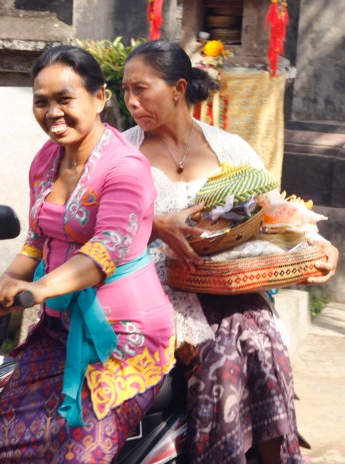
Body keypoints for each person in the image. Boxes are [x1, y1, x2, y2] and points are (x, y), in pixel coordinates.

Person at [121, 40, 339, 464]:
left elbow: (274, 212)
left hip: (233, 284)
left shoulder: (231, 149)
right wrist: (156, 228)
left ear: (179, 88)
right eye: (125, 91)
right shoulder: (121, 153)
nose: (131, 101)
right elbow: (103, 232)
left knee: (265, 347)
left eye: (141, 89)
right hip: (157, 292)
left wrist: (319, 246)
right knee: (220, 362)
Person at [0, 44, 176, 463]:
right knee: (3, 439)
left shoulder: (126, 169)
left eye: (65, 99)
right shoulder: (46, 159)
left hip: (124, 338)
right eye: (42, 102)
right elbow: (36, 239)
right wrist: (6, 283)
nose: (53, 113)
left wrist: (35, 291)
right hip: (57, 328)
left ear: (100, 98)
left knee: (80, 451)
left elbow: (102, 254)